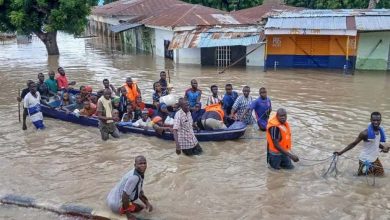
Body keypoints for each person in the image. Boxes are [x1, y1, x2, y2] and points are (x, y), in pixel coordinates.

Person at [334, 112, 389, 176]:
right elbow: (353, 144)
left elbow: (375, 143)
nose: (376, 122)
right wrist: (340, 152)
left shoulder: (380, 130)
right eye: (374, 120)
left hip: (375, 158)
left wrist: (383, 148)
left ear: (380, 120)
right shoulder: (365, 133)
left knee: (381, 175)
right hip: (365, 160)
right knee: (360, 178)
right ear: (370, 120)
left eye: (378, 120)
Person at [106, 156, 153, 220]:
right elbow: (125, 196)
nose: (143, 165)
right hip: (115, 205)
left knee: (143, 205)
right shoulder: (134, 177)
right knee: (141, 208)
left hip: (111, 198)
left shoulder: (137, 173)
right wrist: (129, 215)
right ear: (135, 165)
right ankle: (123, 211)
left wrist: (147, 203)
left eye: (144, 163)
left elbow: (140, 192)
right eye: (140, 163)